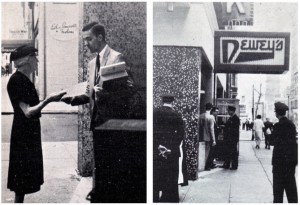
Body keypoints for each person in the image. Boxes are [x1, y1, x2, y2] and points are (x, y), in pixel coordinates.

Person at [7, 45, 66, 203]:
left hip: (28, 133)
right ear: (27, 60)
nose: (37, 61)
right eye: (35, 57)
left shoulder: (24, 80)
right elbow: (27, 111)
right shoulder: (16, 81)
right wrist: (49, 100)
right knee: (20, 181)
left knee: (23, 180)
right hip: (23, 135)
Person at [61, 22, 135, 129]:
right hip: (96, 122)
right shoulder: (92, 64)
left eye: (89, 39)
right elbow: (88, 94)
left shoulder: (116, 58)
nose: (86, 43)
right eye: (84, 40)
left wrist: (106, 93)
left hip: (113, 122)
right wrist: (68, 98)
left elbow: (130, 89)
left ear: (100, 37)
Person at [153, 94, 184, 202]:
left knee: (155, 177)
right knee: (171, 177)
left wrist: (158, 146)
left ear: (162, 101)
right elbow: (181, 134)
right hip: (171, 151)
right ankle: (169, 199)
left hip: (156, 150)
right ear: (172, 102)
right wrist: (170, 148)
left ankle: (154, 199)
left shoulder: (155, 112)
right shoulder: (176, 115)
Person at [271, 102, 298, 203]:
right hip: (289, 164)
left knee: (278, 194)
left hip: (279, 164)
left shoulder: (278, 126)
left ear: (277, 113)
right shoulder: (291, 125)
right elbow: (293, 144)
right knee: (291, 192)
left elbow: (273, 141)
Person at [221, 105, 240, 170]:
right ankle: (227, 164)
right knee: (228, 151)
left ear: (232, 111)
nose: (228, 112)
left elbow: (234, 129)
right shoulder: (231, 118)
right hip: (229, 138)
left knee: (233, 152)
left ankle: (234, 166)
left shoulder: (235, 118)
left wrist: (226, 128)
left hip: (232, 138)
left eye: (229, 111)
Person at [200, 103, 217, 171]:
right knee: (207, 152)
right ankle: (206, 166)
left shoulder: (201, 116)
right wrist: (214, 140)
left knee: (202, 152)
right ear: (211, 108)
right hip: (208, 137)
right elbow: (212, 129)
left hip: (201, 137)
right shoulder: (211, 117)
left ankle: (201, 165)